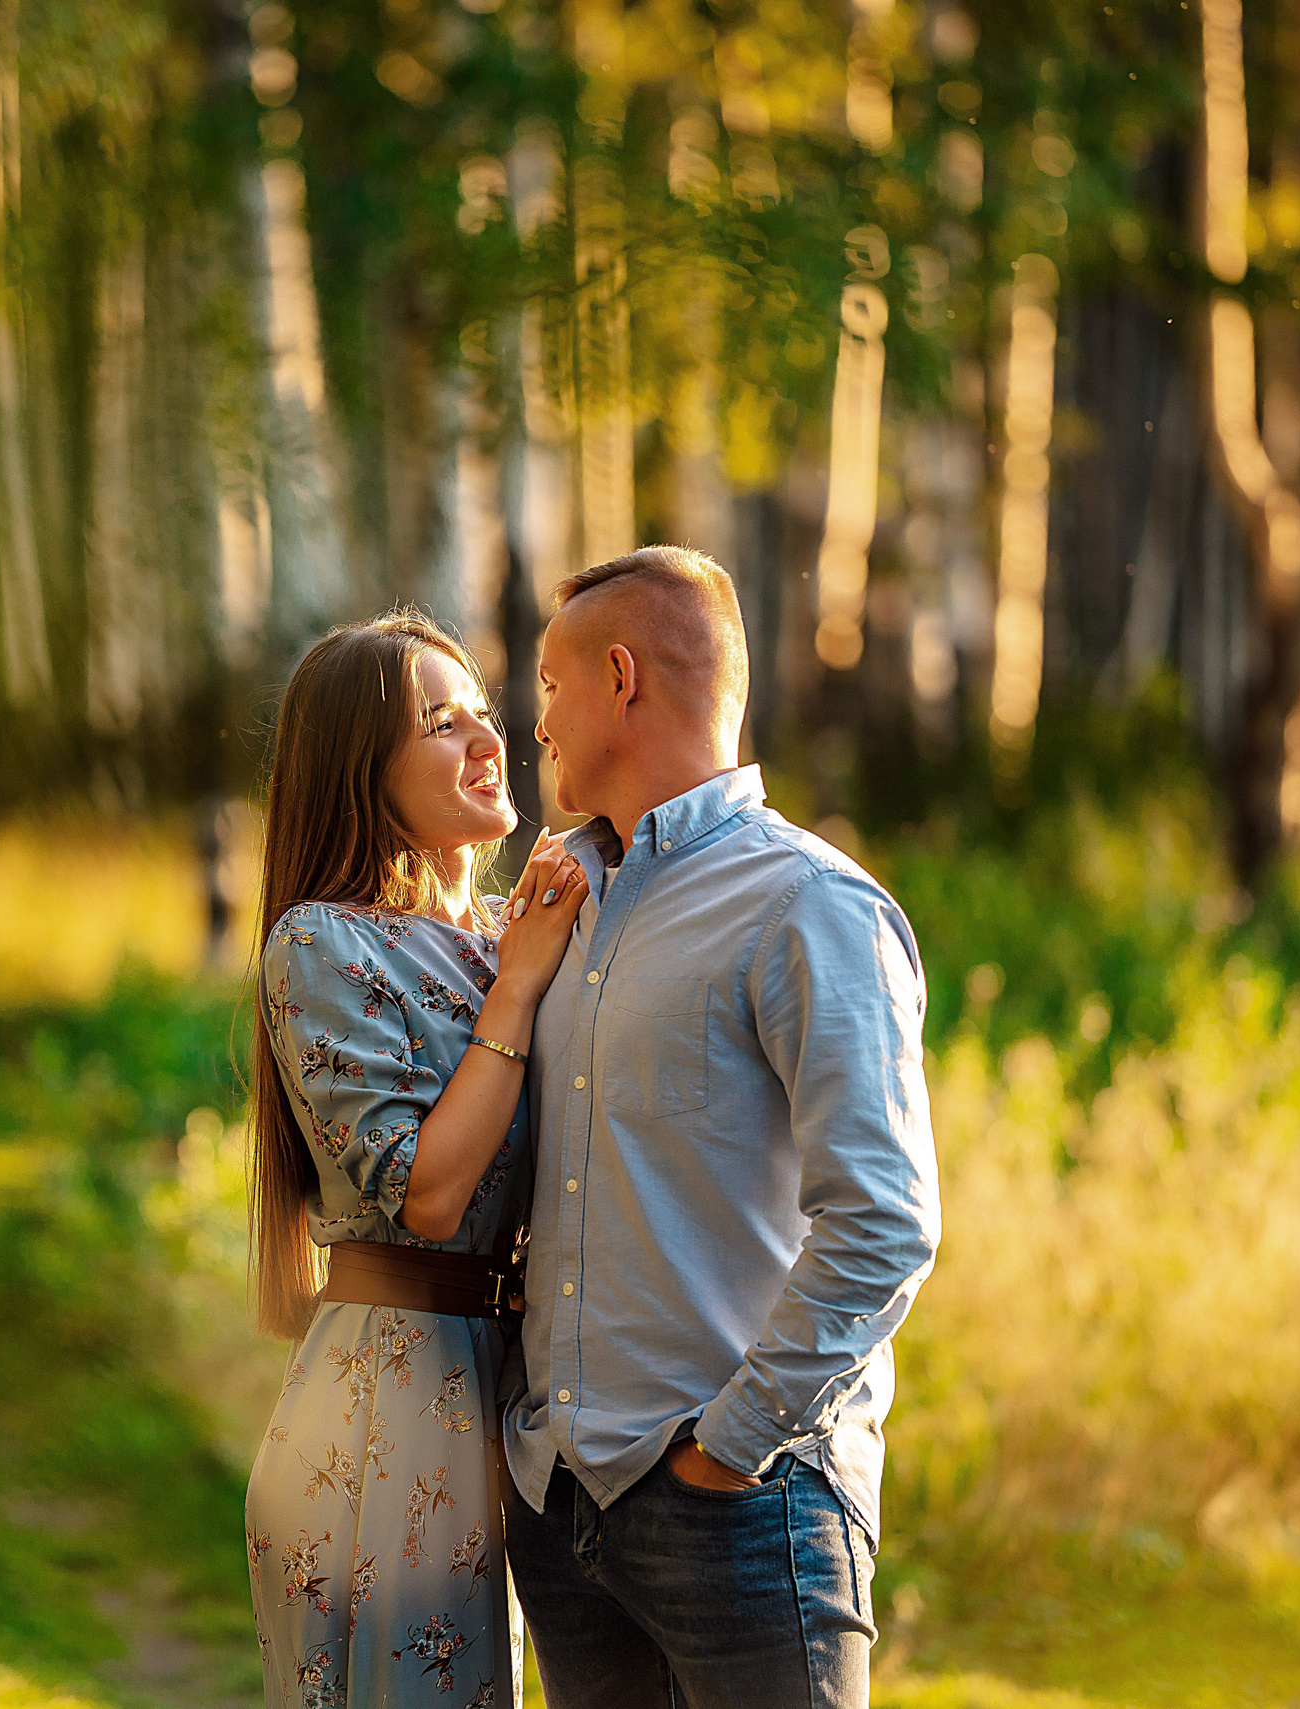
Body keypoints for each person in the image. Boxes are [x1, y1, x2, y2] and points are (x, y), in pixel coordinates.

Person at [504, 546, 944, 1708]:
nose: (535, 722)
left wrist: (730, 1449)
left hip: (744, 1510)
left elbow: (884, 1221)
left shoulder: (807, 904)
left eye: (550, 685)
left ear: (619, 678)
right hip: (561, 1509)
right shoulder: (555, 908)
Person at [246, 611, 590, 1709]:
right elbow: (430, 1194)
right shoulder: (322, 941)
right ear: (362, 771)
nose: (490, 739)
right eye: (442, 724)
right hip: (386, 1398)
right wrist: (518, 986)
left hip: (506, 1390)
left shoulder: (504, 928)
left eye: (483, 712)